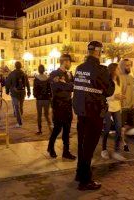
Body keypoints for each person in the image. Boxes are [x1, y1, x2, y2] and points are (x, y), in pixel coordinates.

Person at [73, 41, 115, 191]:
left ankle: (79, 173)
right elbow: (109, 90)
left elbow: (79, 89)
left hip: (81, 112)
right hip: (94, 113)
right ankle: (85, 181)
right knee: (89, 148)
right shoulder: (101, 70)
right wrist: (110, 78)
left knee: (81, 145)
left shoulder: (79, 68)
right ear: (98, 51)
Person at [47, 54, 76, 160]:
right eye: (70, 62)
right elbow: (56, 87)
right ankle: (51, 147)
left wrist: (66, 85)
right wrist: (66, 85)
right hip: (58, 105)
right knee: (57, 128)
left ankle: (66, 151)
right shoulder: (54, 74)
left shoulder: (69, 74)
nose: (70, 64)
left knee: (67, 129)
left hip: (68, 104)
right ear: (65, 61)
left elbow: (73, 87)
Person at [101, 63, 126, 161]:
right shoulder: (107, 81)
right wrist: (114, 97)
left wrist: (121, 98)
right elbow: (104, 95)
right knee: (106, 129)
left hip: (117, 108)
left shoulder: (119, 81)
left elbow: (119, 94)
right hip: (108, 108)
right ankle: (104, 150)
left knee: (118, 129)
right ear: (113, 70)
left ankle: (116, 151)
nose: (119, 70)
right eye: (118, 68)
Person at [119, 59, 134, 152]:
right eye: (126, 65)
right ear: (122, 66)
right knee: (122, 127)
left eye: (129, 65)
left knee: (132, 125)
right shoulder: (119, 78)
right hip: (123, 107)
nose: (128, 67)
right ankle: (124, 144)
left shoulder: (131, 77)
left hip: (131, 106)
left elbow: (133, 91)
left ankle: (121, 135)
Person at [5, 61, 31, 128]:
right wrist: (28, 92)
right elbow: (27, 84)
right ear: (21, 66)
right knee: (20, 106)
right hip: (22, 92)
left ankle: (19, 122)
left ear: (15, 66)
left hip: (14, 93)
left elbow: (7, 83)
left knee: (16, 107)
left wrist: (7, 91)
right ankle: (19, 116)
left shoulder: (11, 74)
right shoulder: (24, 74)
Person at [33, 64, 52, 134]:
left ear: (38, 70)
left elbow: (35, 89)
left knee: (39, 115)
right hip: (47, 99)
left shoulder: (36, 79)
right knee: (47, 115)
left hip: (39, 100)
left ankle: (39, 130)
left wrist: (36, 95)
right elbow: (50, 89)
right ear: (44, 70)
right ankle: (50, 128)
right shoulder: (48, 78)